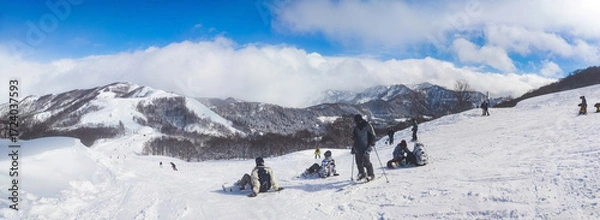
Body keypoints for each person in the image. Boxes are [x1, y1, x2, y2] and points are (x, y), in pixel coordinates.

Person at [352, 114, 375, 181]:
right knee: (358, 162)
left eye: (357, 121)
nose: (356, 122)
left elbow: (372, 135)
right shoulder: (356, 128)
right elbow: (354, 138)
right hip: (357, 147)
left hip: (366, 146)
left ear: (360, 120)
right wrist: (353, 147)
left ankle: (370, 174)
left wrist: (372, 143)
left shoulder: (368, 126)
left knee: (366, 162)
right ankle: (362, 174)